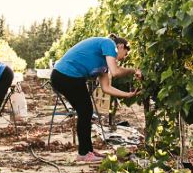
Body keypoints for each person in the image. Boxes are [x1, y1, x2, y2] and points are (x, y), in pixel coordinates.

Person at [50, 33, 140, 163]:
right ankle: (84, 153)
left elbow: (106, 88)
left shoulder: (103, 64)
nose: (124, 58)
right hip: (66, 75)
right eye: (125, 54)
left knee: (85, 112)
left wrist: (128, 95)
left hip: (68, 77)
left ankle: (88, 151)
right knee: (85, 111)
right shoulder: (109, 43)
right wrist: (134, 70)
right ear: (120, 46)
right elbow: (116, 72)